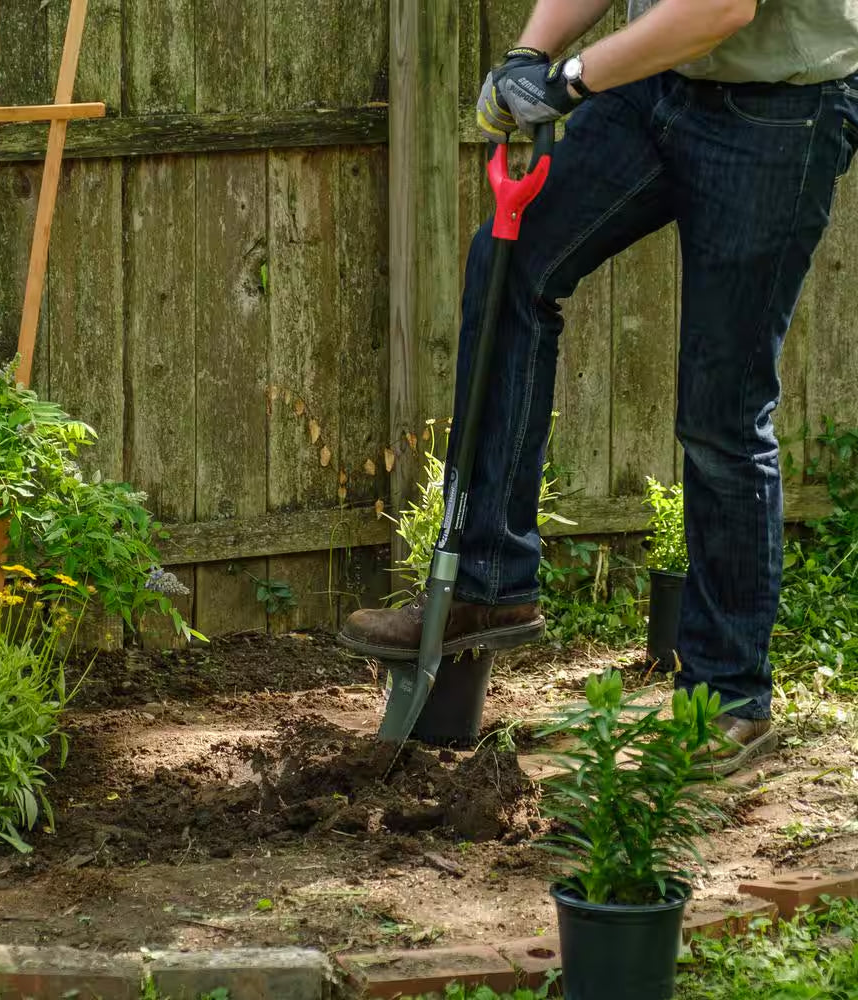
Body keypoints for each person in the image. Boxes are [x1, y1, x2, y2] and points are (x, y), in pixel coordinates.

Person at [340, 0, 858, 775]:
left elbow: (718, 8)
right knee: (512, 268)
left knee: (721, 407)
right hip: (657, 89)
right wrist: (529, 54)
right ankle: (488, 582)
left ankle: (729, 696)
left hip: (780, 113)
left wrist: (570, 79)